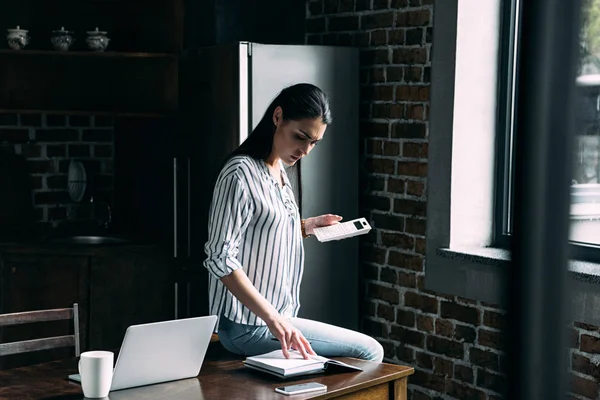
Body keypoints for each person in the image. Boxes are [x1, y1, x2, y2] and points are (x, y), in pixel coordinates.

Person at [203, 83, 384, 363]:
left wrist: (306, 227)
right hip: (249, 326)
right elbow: (220, 257)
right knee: (369, 350)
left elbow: (259, 231)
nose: (306, 150)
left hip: (276, 318)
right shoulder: (239, 173)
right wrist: (274, 318)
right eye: (300, 137)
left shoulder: (277, 171)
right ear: (277, 117)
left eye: (313, 142)